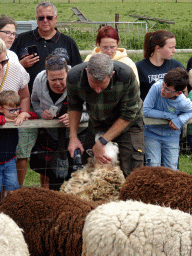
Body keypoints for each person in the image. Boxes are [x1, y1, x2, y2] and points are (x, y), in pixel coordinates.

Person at [11, 1, 82, 186]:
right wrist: (21, 64)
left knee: (49, 153)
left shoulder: (67, 42)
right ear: (36, 19)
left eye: (49, 17)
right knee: (23, 153)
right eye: (40, 17)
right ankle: (17, 191)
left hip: (60, 106)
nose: (45, 21)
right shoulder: (22, 39)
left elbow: (78, 73)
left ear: (56, 18)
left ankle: (46, 193)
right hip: (31, 104)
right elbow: (9, 67)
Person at [67, 53, 144, 178]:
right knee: (90, 168)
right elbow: (74, 106)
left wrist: (102, 142)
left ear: (112, 74)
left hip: (129, 124)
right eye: (93, 84)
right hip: (98, 122)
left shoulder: (126, 75)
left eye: (102, 84)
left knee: (132, 170)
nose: (97, 90)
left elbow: (128, 113)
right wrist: (73, 137)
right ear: (87, 72)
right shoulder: (74, 77)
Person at [31, 54, 88, 190]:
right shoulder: (39, 80)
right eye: (53, 80)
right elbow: (34, 102)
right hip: (53, 138)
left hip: (78, 136)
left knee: (77, 178)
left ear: (67, 73)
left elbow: (93, 110)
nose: (57, 83)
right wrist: (41, 113)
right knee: (55, 179)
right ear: (46, 75)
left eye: (61, 79)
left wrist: (76, 118)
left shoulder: (80, 81)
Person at [143, 67, 192, 170]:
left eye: (167, 89)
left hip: (171, 136)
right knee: (153, 166)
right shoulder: (156, 87)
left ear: (178, 93)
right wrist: (169, 116)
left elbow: (191, 111)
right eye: (163, 85)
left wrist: (179, 120)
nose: (162, 90)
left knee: (171, 168)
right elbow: (146, 110)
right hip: (151, 133)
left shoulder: (182, 102)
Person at [0, 90, 38, 201]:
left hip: (10, 161)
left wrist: (24, 114)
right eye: (12, 110)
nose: (16, 113)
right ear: (1, 108)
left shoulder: (16, 117)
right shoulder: (4, 118)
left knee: (12, 188)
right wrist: (4, 120)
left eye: (18, 109)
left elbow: (35, 115)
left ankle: (7, 208)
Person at [136, 30, 185, 101]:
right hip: (148, 110)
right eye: (171, 47)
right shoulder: (139, 67)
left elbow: (184, 91)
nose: (174, 50)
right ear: (158, 48)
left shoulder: (176, 66)